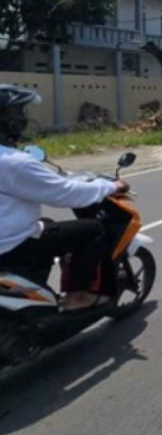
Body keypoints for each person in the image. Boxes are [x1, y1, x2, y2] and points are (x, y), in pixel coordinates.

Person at [0, 85, 130, 311]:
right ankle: (77, 296)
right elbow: (66, 194)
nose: (22, 117)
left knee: (47, 224)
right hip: (10, 245)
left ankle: (33, 284)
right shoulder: (14, 162)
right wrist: (111, 186)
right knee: (93, 230)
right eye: (18, 112)